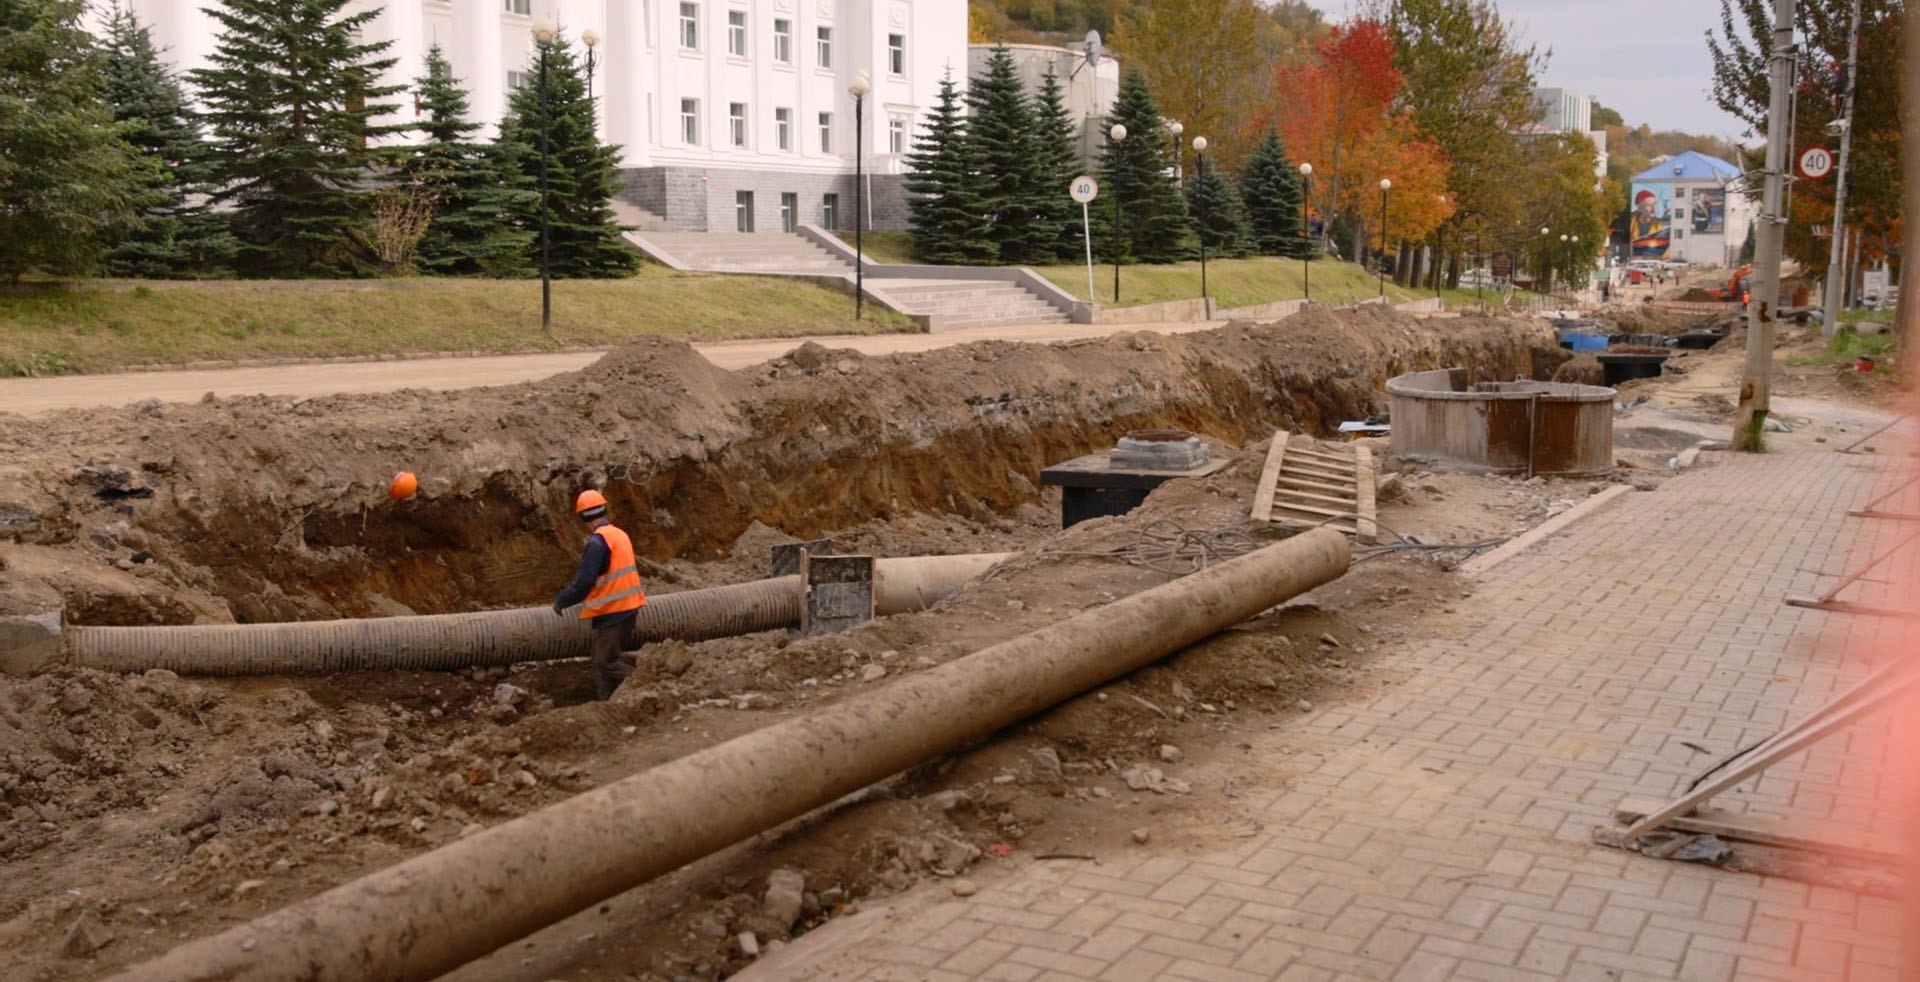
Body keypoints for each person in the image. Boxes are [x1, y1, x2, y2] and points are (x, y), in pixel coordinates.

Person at [552, 489, 645, 700]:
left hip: (614, 611)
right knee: (601, 658)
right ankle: (606, 704)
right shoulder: (619, 534)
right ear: (604, 509)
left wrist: (562, 601)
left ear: (583, 517)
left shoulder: (597, 543)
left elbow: (584, 581)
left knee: (605, 661)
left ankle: (643, 684)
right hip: (629, 606)